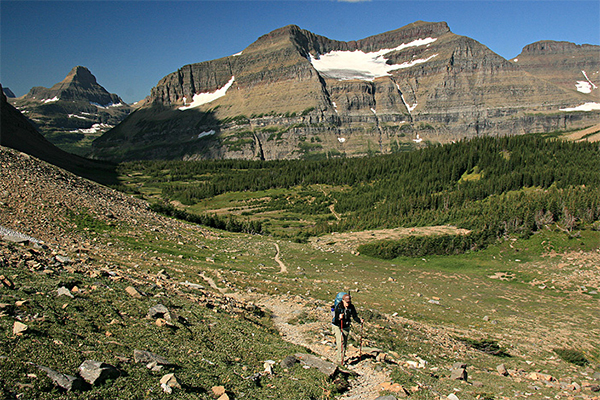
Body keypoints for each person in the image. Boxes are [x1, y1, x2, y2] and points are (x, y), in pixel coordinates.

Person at [332, 293, 363, 366]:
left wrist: (359, 321)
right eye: (346, 302)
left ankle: (341, 358)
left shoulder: (351, 307)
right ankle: (340, 361)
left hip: (346, 326)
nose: (348, 304)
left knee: (344, 343)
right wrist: (339, 318)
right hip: (337, 326)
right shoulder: (338, 307)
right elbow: (335, 320)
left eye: (349, 302)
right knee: (340, 342)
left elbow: (354, 316)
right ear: (343, 300)